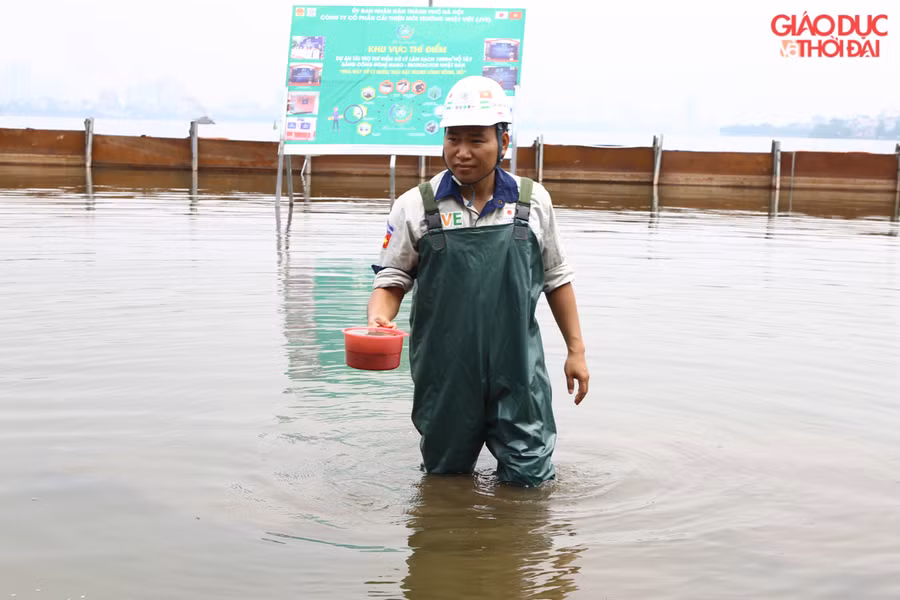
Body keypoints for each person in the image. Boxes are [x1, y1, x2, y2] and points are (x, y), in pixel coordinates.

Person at [367, 75, 589, 487]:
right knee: (444, 482)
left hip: (519, 370)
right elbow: (392, 279)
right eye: (453, 139)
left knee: (530, 481)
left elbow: (557, 278)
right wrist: (379, 319)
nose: (462, 153)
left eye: (476, 140)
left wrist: (576, 351)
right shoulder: (416, 205)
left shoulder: (532, 201)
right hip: (446, 373)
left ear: (502, 142)